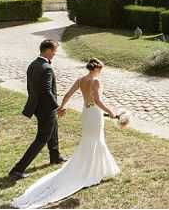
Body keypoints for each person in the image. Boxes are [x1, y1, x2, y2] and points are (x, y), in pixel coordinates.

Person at [12, 58, 120, 209]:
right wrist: (111, 112)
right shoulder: (96, 81)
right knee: (97, 140)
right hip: (95, 114)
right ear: (97, 68)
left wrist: (61, 107)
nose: (101, 72)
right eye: (101, 69)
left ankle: (96, 167)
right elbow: (97, 100)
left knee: (90, 140)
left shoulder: (81, 80)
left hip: (86, 113)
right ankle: (95, 170)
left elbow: (68, 94)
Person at [9, 40, 66, 180]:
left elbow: (32, 88)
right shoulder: (46, 67)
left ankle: (55, 156)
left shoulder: (33, 64)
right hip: (46, 108)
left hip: (37, 107)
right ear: (47, 50)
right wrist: (57, 107)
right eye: (54, 51)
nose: (55, 53)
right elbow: (47, 91)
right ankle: (18, 169)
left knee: (53, 130)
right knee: (42, 138)